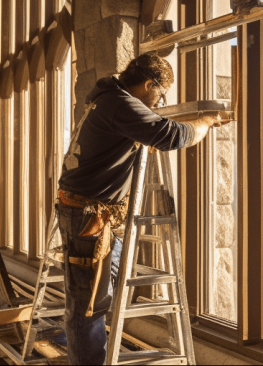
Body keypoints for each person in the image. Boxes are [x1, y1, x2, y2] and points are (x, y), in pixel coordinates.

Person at [56, 51, 226, 365]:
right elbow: (170, 135)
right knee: (89, 303)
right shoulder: (120, 105)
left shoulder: (108, 100)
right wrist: (204, 122)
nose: (159, 103)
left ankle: (79, 343)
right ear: (149, 84)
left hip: (86, 212)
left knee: (100, 286)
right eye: (159, 95)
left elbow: (156, 125)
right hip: (87, 217)